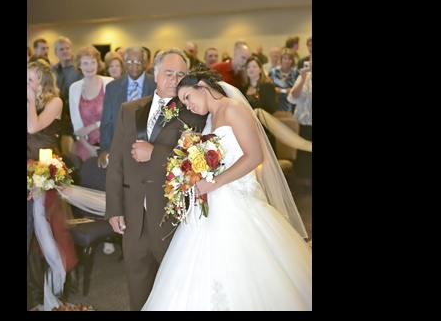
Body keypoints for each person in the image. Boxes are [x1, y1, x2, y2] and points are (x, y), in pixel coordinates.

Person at [142, 66, 312, 311]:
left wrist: (214, 182)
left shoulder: (233, 108)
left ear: (202, 86)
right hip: (213, 198)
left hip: (237, 197)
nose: (188, 106)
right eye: (184, 103)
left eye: (188, 97)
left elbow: (254, 156)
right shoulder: (210, 118)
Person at [105, 48, 208, 311]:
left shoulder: (194, 112)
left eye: (180, 74)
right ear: (155, 73)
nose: (174, 79)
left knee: (175, 292)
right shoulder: (129, 109)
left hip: (171, 219)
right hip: (133, 217)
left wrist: (156, 153)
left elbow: (197, 162)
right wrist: (114, 209)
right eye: (168, 73)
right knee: (137, 291)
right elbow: (116, 162)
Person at [27, 59, 79, 310]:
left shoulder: (54, 102)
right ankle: (33, 293)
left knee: (44, 233)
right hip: (29, 169)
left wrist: (29, 99)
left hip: (43, 174)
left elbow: (33, 127)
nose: (26, 84)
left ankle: (46, 292)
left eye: (30, 79)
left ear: (42, 82)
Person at [98, 46, 157, 169]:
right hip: (120, 148)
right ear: (124, 63)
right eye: (130, 62)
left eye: (139, 62)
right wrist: (105, 149)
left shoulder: (155, 85)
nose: (134, 66)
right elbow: (106, 122)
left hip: (148, 148)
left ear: (145, 63)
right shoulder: (112, 87)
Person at [68, 46, 115, 162]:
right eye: (85, 63)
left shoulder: (110, 83)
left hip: (110, 143)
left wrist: (92, 126)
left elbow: (115, 116)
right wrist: (88, 147)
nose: (89, 67)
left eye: (93, 62)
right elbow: (76, 124)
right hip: (84, 145)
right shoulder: (74, 88)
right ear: (79, 65)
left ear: (98, 64)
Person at [241, 55, 278, 153]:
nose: (251, 69)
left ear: (260, 69)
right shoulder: (242, 89)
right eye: (248, 67)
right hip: (247, 128)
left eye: (254, 66)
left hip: (264, 128)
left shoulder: (267, 87)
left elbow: (271, 108)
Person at [52, 37, 83, 154]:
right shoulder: (53, 70)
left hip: (73, 116)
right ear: (56, 52)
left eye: (67, 48)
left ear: (72, 50)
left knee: (70, 151)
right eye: (61, 49)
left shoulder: (79, 69)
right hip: (56, 116)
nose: (65, 51)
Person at [287, 56, 312, 192]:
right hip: (304, 122)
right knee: (304, 153)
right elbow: (293, 97)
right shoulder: (303, 77)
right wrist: (302, 78)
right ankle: (304, 183)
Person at [268, 48, 300, 113]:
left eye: (289, 59)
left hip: (292, 105)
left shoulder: (296, 73)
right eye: (285, 58)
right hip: (276, 103)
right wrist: (282, 91)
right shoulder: (273, 72)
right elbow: (268, 88)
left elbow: (299, 89)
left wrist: (291, 91)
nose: (287, 61)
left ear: (292, 61)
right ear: (281, 59)